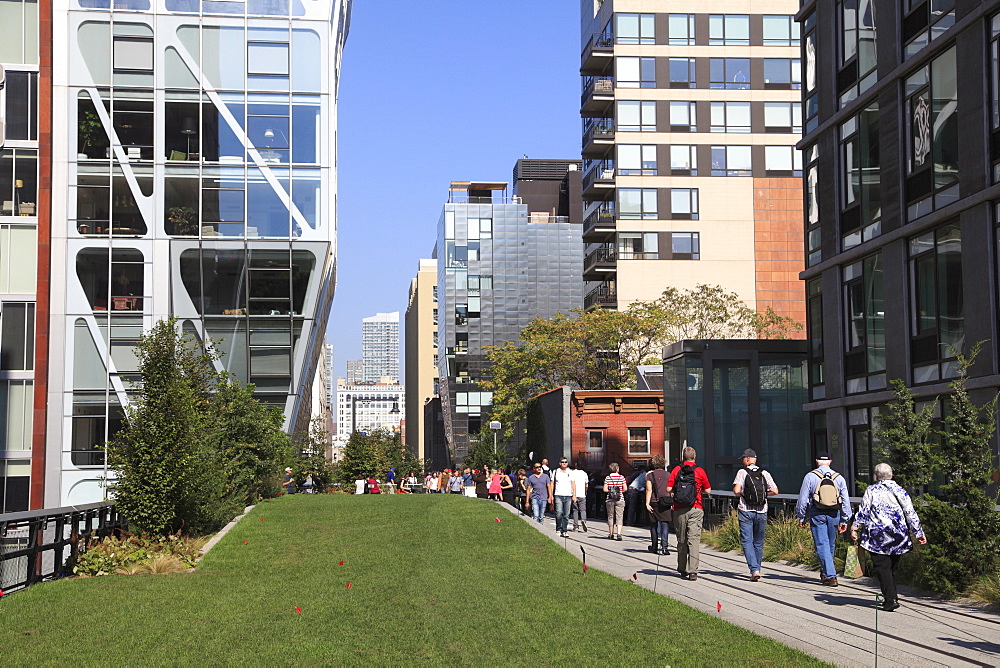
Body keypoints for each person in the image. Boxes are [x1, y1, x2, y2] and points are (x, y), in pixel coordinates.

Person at [851, 463, 927, 611]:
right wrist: (919, 533)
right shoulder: (901, 491)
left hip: (877, 537)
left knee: (882, 567)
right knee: (891, 567)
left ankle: (890, 599)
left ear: (876, 476)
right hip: (898, 536)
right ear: (891, 475)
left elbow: (864, 511)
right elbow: (910, 513)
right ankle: (892, 596)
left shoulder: (871, 490)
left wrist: (855, 527)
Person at [795, 451, 853, 586]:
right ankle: (825, 573)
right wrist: (845, 520)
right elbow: (845, 501)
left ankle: (831, 576)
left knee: (822, 544)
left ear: (816, 461)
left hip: (817, 512)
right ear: (830, 461)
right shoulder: (839, 478)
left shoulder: (810, 476)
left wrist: (801, 516)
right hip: (834, 514)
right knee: (830, 544)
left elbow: (803, 500)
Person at [732, 448, 779, 581]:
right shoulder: (764, 473)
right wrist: (764, 494)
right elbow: (775, 491)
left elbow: (736, 490)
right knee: (758, 542)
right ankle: (757, 568)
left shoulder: (742, 472)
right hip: (762, 510)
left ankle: (754, 570)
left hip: (746, 510)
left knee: (747, 541)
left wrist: (742, 493)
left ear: (747, 459)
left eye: (743, 459)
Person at [666, 447, 712, 580]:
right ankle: (693, 571)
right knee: (694, 539)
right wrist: (697, 491)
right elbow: (708, 490)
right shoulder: (699, 471)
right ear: (694, 457)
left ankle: (682, 567)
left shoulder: (676, 470)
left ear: (682, 458)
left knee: (681, 539)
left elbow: (668, 488)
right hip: (696, 507)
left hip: (679, 509)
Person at [644, 455, 671, 556]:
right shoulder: (668, 475)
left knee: (653, 525)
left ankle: (654, 546)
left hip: (654, 502)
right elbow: (671, 489)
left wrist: (647, 503)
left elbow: (649, 490)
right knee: (665, 525)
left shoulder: (649, 475)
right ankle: (665, 547)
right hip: (666, 502)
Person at [549, 458, 576, 538]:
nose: (564, 463)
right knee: (559, 513)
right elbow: (552, 483)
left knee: (566, 514)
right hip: (558, 494)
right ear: (559, 463)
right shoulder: (556, 471)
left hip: (568, 495)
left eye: (565, 462)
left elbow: (573, 483)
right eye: (562, 462)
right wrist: (551, 495)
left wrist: (574, 494)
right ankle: (558, 528)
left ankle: (564, 530)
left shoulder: (570, 472)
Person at [604, 462, 627, 541]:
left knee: (610, 516)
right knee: (619, 517)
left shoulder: (607, 478)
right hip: (620, 499)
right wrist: (620, 491)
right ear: (617, 469)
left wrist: (610, 491)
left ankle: (611, 534)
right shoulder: (621, 477)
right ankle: (619, 534)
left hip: (610, 499)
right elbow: (625, 488)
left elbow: (605, 489)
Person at [570, 464, 589, 532]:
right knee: (583, 510)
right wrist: (586, 491)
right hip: (582, 494)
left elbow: (571, 483)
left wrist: (572, 493)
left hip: (575, 494)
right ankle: (583, 520)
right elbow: (586, 484)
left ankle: (575, 526)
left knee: (575, 510)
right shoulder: (584, 473)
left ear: (576, 465)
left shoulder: (573, 473)